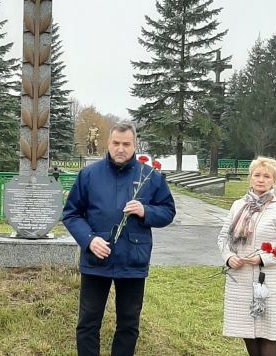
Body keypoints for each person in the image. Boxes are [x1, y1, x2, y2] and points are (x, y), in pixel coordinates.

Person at [63, 123, 176, 356]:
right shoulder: (89, 175)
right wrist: (89, 240)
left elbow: (168, 210)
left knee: (128, 323)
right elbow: (72, 213)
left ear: (135, 145)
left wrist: (146, 211)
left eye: (126, 144)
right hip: (96, 260)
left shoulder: (149, 176)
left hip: (133, 260)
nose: (121, 149)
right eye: (116, 143)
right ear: (108, 143)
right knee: (88, 322)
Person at [217, 156, 276, 356]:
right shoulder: (239, 205)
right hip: (240, 278)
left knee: (267, 333)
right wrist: (229, 257)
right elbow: (223, 238)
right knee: (247, 331)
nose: (261, 180)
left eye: (266, 176)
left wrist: (263, 258)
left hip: (267, 280)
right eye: (257, 175)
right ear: (250, 178)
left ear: (274, 181)